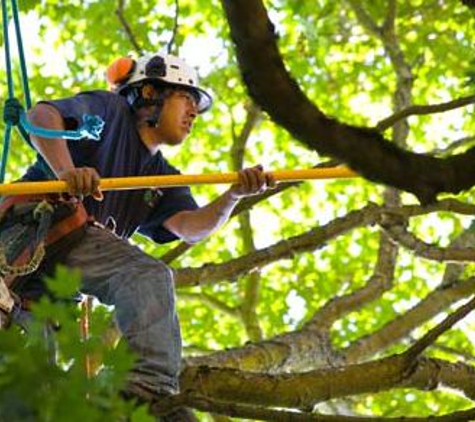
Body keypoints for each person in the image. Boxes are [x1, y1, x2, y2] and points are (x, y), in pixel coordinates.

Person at [19, 52, 275, 420]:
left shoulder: (159, 177)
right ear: (150, 93)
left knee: (28, 398)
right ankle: (146, 390)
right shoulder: (109, 111)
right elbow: (40, 116)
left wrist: (233, 196)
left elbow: (190, 226)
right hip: (39, 231)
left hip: (37, 296)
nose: (193, 113)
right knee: (147, 275)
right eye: (186, 98)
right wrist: (67, 172)